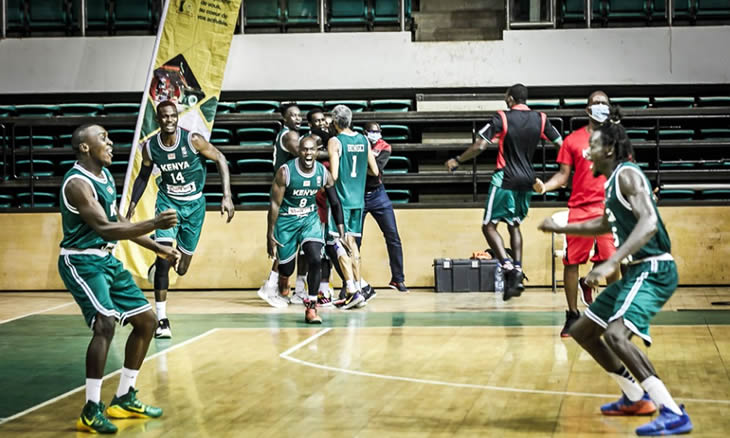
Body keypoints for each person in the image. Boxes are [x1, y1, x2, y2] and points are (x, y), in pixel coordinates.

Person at [538, 107, 692, 436]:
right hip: (638, 270)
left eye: (591, 146)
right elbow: (605, 222)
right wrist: (563, 226)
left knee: (615, 335)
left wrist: (611, 261)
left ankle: (672, 411)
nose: (586, 151)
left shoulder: (629, 174)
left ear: (608, 148)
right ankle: (635, 397)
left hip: (653, 268)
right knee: (583, 330)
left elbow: (649, 222)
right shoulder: (611, 181)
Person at [59, 124, 180, 433]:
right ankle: (90, 408)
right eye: (103, 138)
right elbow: (105, 229)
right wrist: (154, 222)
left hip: (106, 260)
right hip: (81, 261)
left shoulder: (105, 177)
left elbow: (118, 222)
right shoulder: (77, 184)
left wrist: (158, 247)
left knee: (147, 322)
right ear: (85, 147)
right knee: (105, 324)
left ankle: (124, 397)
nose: (110, 142)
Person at [126, 100, 234, 338]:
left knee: (182, 269)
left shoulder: (193, 140)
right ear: (158, 119)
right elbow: (144, 175)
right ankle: (162, 319)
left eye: (173, 116)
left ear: (177, 117)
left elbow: (221, 159)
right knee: (165, 258)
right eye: (164, 116)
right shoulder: (150, 147)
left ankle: (164, 250)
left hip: (195, 206)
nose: (169, 120)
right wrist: (132, 203)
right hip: (169, 203)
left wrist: (227, 195)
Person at [445, 84, 562, 300]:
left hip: (505, 178)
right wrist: (564, 171)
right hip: (527, 180)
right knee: (514, 224)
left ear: (510, 99)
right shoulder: (541, 118)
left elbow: (480, 146)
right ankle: (517, 268)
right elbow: (560, 144)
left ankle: (507, 267)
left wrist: (458, 160)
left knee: (489, 226)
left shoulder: (502, 117)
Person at [533, 91, 620, 337]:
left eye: (604, 103)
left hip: (607, 208)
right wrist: (545, 187)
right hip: (580, 209)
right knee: (572, 263)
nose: (600, 106)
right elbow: (563, 176)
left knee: (613, 261)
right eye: (596, 103)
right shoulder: (573, 140)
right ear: (587, 109)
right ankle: (572, 315)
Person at [267, 136, 346, 323]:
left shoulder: (323, 172)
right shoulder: (285, 172)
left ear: (317, 152)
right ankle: (282, 283)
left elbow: (335, 202)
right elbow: (274, 205)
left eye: (311, 149)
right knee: (286, 268)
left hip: (309, 220)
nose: (308, 153)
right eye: (304, 149)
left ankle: (311, 307)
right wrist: (269, 234)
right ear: (299, 151)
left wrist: (341, 230)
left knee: (315, 258)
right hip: (286, 221)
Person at [326, 104, 380, 309]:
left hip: (341, 200)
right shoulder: (364, 139)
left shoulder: (335, 141)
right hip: (359, 200)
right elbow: (374, 170)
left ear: (334, 121)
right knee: (353, 244)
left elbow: (335, 175)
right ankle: (358, 288)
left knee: (337, 242)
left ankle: (350, 288)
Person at [258, 103, 303, 308]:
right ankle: (270, 286)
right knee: (286, 243)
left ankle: (279, 287)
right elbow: (303, 154)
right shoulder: (289, 136)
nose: (298, 118)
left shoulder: (288, 134)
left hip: (289, 191)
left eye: (299, 115)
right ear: (284, 119)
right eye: (292, 115)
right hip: (286, 193)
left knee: (292, 243)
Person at [359, 121, 408, 293]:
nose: (375, 134)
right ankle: (352, 281)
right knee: (355, 239)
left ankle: (398, 279)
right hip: (358, 194)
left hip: (378, 194)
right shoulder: (356, 143)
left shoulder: (385, 147)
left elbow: (375, 170)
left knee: (393, 235)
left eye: (377, 131)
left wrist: (362, 156)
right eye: (372, 131)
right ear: (364, 132)